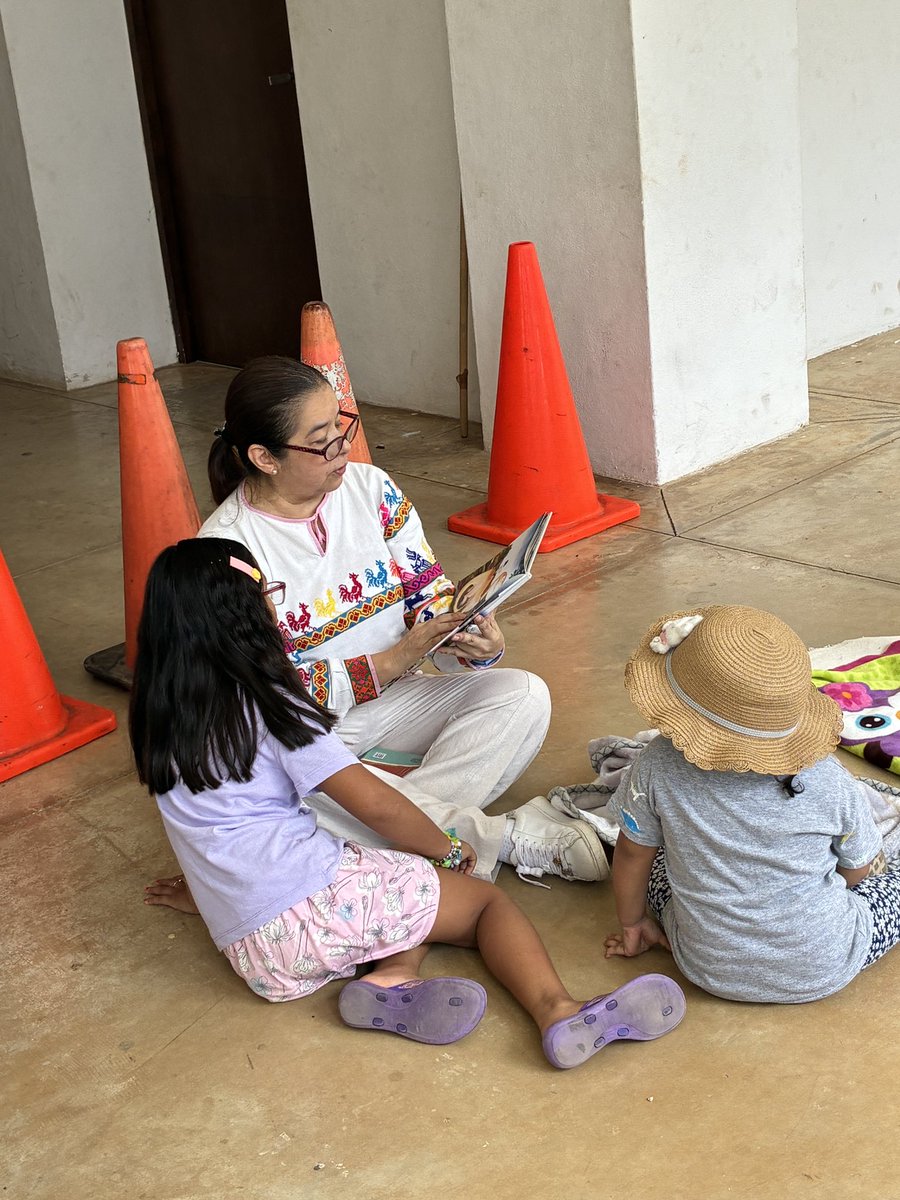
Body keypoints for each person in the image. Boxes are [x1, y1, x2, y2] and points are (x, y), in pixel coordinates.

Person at [131, 538, 685, 1068]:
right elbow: (378, 806)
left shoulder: (158, 719)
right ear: (249, 619)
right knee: (482, 904)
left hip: (257, 954)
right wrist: (444, 848)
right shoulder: (275, 707)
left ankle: (391, 975)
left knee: (394, 880)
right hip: (315, 909)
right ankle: (557, 1010)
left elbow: (201, 827)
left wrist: (205, 894)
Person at [153, 356, 605, 893]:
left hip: (398, 702)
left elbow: (425, 591)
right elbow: (261, 693)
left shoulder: (371, 489)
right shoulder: (228, 552)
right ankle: (492, 838)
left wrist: (464, 636)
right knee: (286, 785)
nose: (342, 448)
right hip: (306, 730)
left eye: (342, 426)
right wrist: (392, 660)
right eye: (321, 441)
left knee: (522, 694)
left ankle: (389, 826)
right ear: (263, 457)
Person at [603, 605, 900, 1004]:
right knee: (882, 878)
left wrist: (634, 922)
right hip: (825, 960)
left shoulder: (656, 763)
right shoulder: (830, 780)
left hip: (706, 965)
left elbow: (630, 855)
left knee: (658, 860)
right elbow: (856, 871)